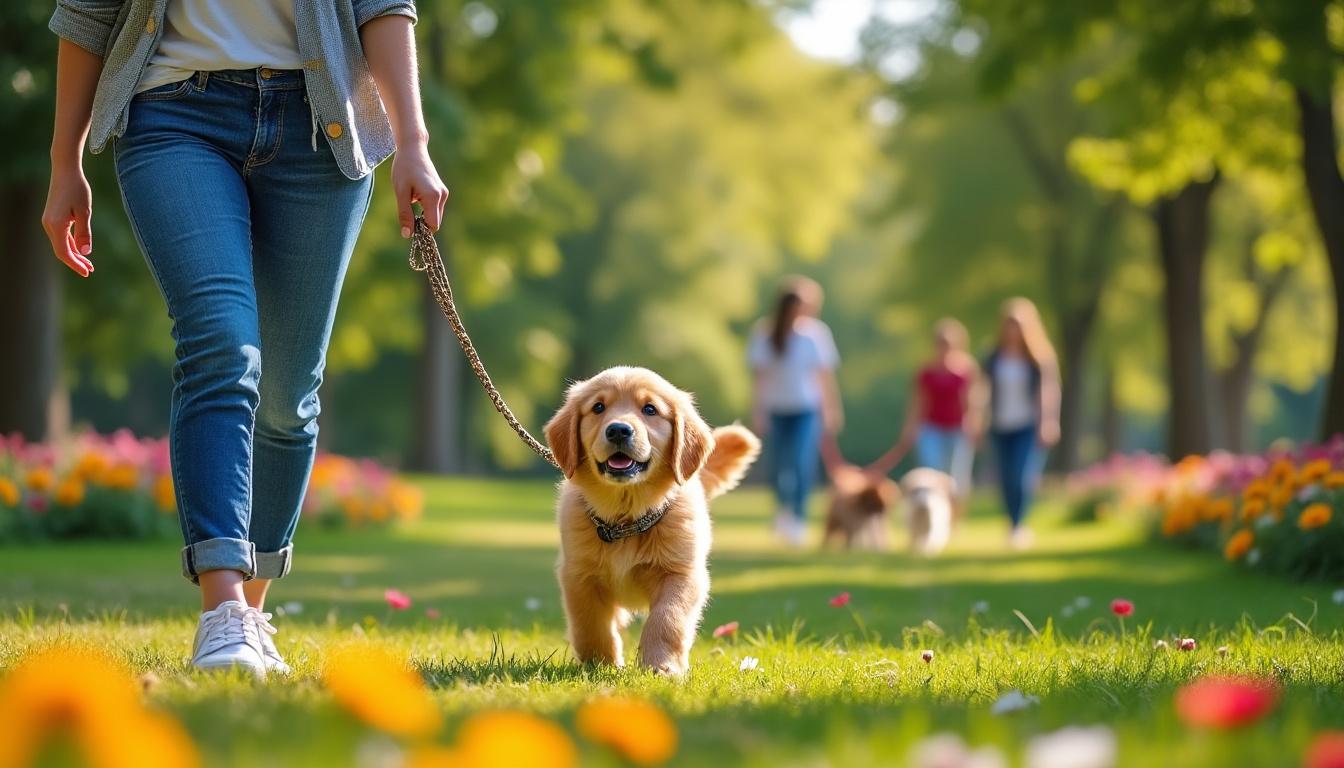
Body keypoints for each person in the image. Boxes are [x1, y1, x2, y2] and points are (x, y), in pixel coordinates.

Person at [42, 0, 448, 675]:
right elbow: (87, 14)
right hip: (174, 115)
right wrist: (64, 162)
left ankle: (248, 613)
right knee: (222, 347)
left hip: (322, 129)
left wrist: (413, 144)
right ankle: (223, 604)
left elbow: (383, 6)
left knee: (289, 396)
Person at [749, 277, 843, 546]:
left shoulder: (816, 334)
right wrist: (758, 411)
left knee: (802, 465)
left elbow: (824, 377)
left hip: (806, 410)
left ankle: (799, 519)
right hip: (776, 409)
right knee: (779, 466)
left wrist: (831, 410)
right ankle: (783, 512)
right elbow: (759, 378)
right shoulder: (765, 333)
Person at [870, 318, 983, 500]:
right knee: (932, 472)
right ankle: (935, 512)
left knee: (956, 477)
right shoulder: (926, 371)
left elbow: (973, 401)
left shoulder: (966, 370)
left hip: (958, 429)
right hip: (931, 428)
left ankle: (954, 518)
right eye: (941, 343)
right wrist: (909, 429)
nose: (944, 348)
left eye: (948, 344)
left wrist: (975, 426)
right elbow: (917, 402)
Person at [984, 298, 1061, 549]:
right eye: (1009, 324)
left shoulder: (1038, 359)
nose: (1013, 330)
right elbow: (980, 390)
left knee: (1021, 476)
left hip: (1027, 425)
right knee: (1006, 477)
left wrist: (1048, 422)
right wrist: (977, 419)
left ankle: (1019, 525)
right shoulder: (993, 358)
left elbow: (1048, 391)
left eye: (1018, 325)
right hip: (1000, 424)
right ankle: (1012, 522)